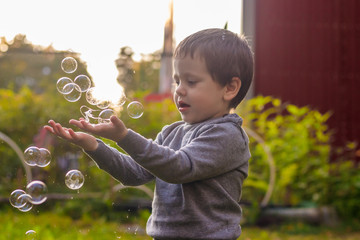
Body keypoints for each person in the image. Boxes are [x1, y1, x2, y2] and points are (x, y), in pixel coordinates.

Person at [44, 28, 254, 240]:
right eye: (177, 81)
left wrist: (124, 137)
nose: (179, 90)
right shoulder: (171, 132)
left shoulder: (228, 135)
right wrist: (94, 146)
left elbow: (180, 167)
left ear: (230, 88)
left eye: (191, 82)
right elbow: (133, 173)